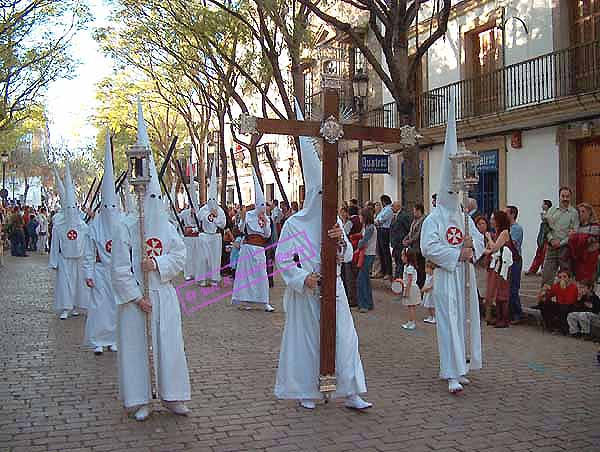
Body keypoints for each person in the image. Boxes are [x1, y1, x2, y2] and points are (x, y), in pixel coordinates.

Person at [274, 102, 371, 410]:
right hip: (308, 292)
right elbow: (284, 259)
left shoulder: (334, 220)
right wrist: (304, 278)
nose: (322, 201)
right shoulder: (294, 224)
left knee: (345, 339)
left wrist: (341, 241)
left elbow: (347, 254)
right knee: (307, 343)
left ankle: (351, 390)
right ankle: (308, 390)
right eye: (318, 195)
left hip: (335, 288)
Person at [109, 100, 191, 421]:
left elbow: (179, 253)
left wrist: (156, 265)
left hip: (164, 294)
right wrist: (135, 296)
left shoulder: (167, 227)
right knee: (137, 348)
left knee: (169, 346)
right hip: (137, 300)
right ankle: (141, 398)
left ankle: (172, 396)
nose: (151, 202)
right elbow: (118, 267)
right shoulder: (127, 227)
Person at [420, 95, 484, 394]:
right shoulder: (434, 218)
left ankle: (462, 366)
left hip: (464, 276)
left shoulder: (463, 215)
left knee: (463, 321)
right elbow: (429, 248)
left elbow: (479, 242)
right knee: (447, 322)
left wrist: (474, 249)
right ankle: (451, 372)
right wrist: (459, 253)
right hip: (446, 277)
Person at [82, 132, 118, 355]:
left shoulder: (121, 222)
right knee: (98, 307)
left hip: (117, 271)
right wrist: (88, 272)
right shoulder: (94, 226)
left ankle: (114, 338)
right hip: (100, 270)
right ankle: (97, 339)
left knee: (116, 306)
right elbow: (88, 251)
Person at [48, 163, 89, 320]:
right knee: (65, 285)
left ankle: (77, 306)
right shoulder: (59, 226)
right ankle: (66, 307)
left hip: (79, 258)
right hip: (65, 258)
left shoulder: (83, 226)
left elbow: (88, 242)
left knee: (79, 284)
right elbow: (54, 245)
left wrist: (88, 259)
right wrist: (54, 261)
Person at [232, 169, 274, 312]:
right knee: (247, 276)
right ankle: (246, 300)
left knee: (261, 275)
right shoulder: (249, 215)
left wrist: (266, 222)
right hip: (248, 248)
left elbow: (267, 235)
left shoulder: (265, 218)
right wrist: (243, 218)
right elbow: (242, 230)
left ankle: (264, 301)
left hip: (259, 249)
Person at [484, 210, 519, 328]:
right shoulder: (498, 232)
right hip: (498, 264)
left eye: (493, 219)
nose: (491, 221)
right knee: (497, 289)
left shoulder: (504, 232)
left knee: (503, 290)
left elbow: (494, 247)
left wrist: (488, 237)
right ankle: (499, 317)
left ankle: (504, 318)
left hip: (505, 265)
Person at [196, 162, 227, 287]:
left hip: (215, 236)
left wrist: (215, 217)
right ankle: (202, 278)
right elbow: (199, 217)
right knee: (203, 258)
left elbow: (223, 224)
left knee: (215, 258)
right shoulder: (204, 208)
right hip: (204, 235)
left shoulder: (220, 210)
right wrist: (208, 214)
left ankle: (214, 278)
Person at [541, 187, 579, 286]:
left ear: (570, 197)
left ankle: (565, 300)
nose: (565, 199)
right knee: (547, 275)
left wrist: (560, 243)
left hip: (565, 248)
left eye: (567, 196)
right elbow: (546, 228)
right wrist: (551, 239)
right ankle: (545, 300)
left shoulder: (574, 213)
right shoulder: (552, 210)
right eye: (563, 196)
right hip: (551, 247)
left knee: (565, 277)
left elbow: (574, 232)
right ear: (559, 197)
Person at [538, 268, 579, 334]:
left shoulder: (573, 287)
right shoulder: (556, 286)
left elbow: (569, 301)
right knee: (543, 304)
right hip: (560, 305)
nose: (562, 279)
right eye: (560, 277)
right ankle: (549, 326)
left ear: (569, 278)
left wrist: (563, 289)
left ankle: (562, 329)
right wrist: (544, 292)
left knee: (564, 307)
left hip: (570, 307)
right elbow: (547, 297)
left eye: (564, 277)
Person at [568, 203, 600, 283]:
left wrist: (576, 236)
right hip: (578, 259)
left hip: (590, 258)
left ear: (589, 213)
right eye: (579, 212)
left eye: (583, 211)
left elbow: (591, 240)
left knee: (589, 284)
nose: (580, 214)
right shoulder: (576, 227)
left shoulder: (595, 226)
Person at [505, 205, 524, 323]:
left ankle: (517, 313)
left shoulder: (516, 228)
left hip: (515, 260)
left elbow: (511, 243)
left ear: (512, 214)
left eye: (506, 213)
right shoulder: (507, 228)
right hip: (508, 259)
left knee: (513, 287)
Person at [356, 207, 377, 313]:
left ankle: (364, 304)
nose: (359, 217)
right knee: (365, 280)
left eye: (361, 215)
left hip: (368, 254)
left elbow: (363, 242)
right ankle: (368, 303)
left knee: (361, 280)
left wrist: (358, 242)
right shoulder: (367, 227)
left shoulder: (369, 228)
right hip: (368, 254)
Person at [526, 200, 552, 275]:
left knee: (545, 255)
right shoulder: (543, 221)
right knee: (539, 254)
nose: (542, 206)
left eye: (543, 204)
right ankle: (533, 270)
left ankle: (543, 270)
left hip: (547, 240)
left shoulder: (550, 215)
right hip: (542, 239)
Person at [474, 216, 491, 323]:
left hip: (486, 266)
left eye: (483, 223)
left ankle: (487, 313)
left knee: (485, 290)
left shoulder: (489, 236)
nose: (481, 226)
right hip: (476, 265)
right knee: (476, 290)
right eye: (479, 224)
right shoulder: (475, 237)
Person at [404, 203, 426, 288]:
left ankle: (420, 285)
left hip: (419, 247)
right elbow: (411, 231)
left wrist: (409, 241)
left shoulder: (423, 220)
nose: (413, 213)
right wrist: (406, 238)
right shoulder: (415, 220)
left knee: (420, 267)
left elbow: (418, 234)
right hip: (413, 247)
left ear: (418, 211)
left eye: (414, 211)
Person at [374, 194, 394, 280]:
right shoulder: (384, 209)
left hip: (384, 230)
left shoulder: (388, 209)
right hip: (380, 230)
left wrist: (377, 221)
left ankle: (388, 272)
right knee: (381, 252)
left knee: (385, 252)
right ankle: (383, 270)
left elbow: (380, 220)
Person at [400, 248, 421, 330]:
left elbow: (409, 280)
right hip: (409, 287)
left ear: (407, 257)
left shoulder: (410, 268)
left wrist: (407, 291)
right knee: (409, 306)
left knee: (411, 306)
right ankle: (410, 321)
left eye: (403, 255)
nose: (401, 257)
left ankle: (412, 322)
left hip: (411, 288)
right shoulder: (407, 266)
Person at [390, 201, 411, 279]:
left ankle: (399, 278)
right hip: (395, 243)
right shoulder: (394, 216)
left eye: (393, 206)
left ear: (398, 207)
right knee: (397, 261)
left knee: (400, 261)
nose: (392, 208)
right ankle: (397, 278)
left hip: (401, 242)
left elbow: (407, 228)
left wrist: (405, 239)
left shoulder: (404, 216)